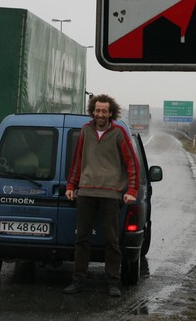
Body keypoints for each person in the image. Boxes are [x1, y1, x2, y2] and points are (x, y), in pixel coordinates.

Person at [63, 94, 140, 297]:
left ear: (111, 112)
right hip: (86, 191)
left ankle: (112, 282)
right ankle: (78, 280)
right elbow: (78, 160)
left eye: (104, 111)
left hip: (111, 193)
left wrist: (132, 191)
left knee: (112, 240)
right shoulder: (85, 131)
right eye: (97, 110)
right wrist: (71, 184)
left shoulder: (119, 133)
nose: (100, 114)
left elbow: (131, 163)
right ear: (93, 111)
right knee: (82, 238)